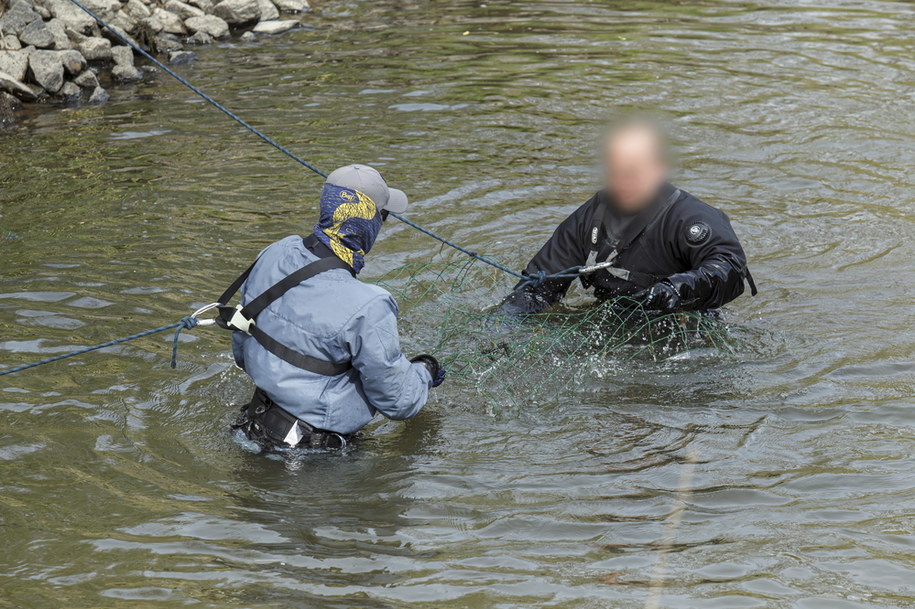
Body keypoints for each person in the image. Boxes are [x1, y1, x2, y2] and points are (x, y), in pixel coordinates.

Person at [224, 164, 445, 451]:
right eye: (384, 216)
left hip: (252, 424)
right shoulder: (369, 305)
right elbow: (399, 403)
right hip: (312, 457)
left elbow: (242, 343)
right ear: (372, 222)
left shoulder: (275, 252)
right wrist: (425, 372)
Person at [501, 121, 756, 315]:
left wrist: (677, 288)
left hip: (683, 323)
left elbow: (730, 268)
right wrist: (504, 322)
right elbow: (538, 288)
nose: (623, 180)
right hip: (614, 319)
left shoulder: (690, 218)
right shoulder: (589, 218)